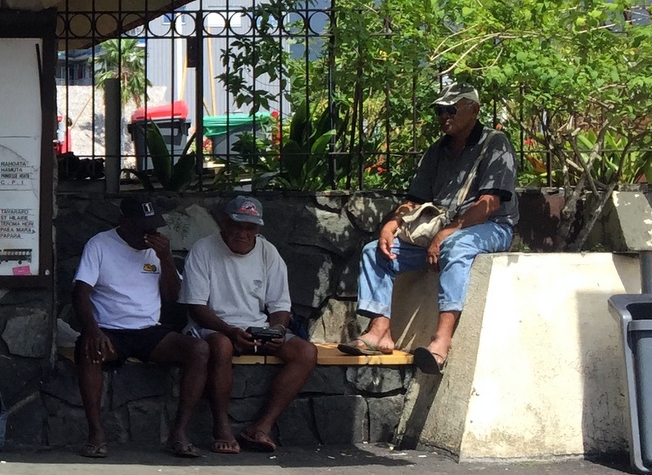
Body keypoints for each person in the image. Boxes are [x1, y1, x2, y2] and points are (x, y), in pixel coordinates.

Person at [342, 83, 517, 374]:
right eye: (440, 110)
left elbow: (490, 203)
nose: (443, 115)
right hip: (441, 230)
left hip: (491, 227)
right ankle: (380, 331)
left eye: (451, 109)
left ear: (473, 110)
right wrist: (392, 223)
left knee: (456, 246)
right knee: (376, 251)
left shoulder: (495, 144)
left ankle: (441, 342)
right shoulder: (436, 151)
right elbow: (414, 200)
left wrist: (447, 233)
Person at [72, 197, 210, 459]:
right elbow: (80, 292)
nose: (150, 234)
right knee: (88, 349)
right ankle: (96, 433)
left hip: (148, 331)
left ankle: (179, 433)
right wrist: (92, 330)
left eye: (154, 228)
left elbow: (173, 297)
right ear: (124, 224)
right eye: (143, 228)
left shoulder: (156, 251)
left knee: (199, 350)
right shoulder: (101, 244)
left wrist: (166, 259)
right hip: (109, 330)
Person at [180, 196, 317, 454]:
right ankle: (222, 428)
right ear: (224, 223)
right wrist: (230, 331)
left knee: (306, 352)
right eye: (238, 226)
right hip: (215, 328)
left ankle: (261, 427)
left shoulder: (268, 252)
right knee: (221, 346)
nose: (243, 234)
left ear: (258, 229)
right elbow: (196, 308)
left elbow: (280, 306)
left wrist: (276, 330)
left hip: (255, 328)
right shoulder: (203, 249)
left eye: (250, 228)